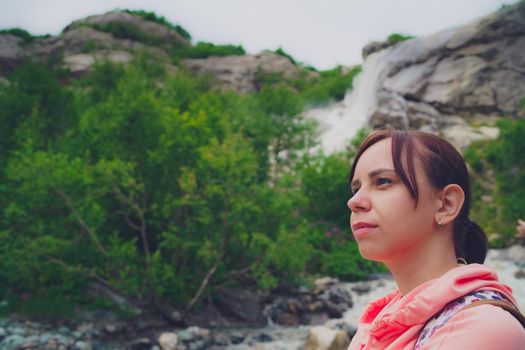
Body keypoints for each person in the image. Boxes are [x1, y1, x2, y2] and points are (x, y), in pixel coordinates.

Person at [346, 130, 525, 349]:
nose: (354, 201)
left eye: (383, 181)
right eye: (356, 188)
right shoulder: (381, 319)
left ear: (446, 204)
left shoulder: (481, 330)